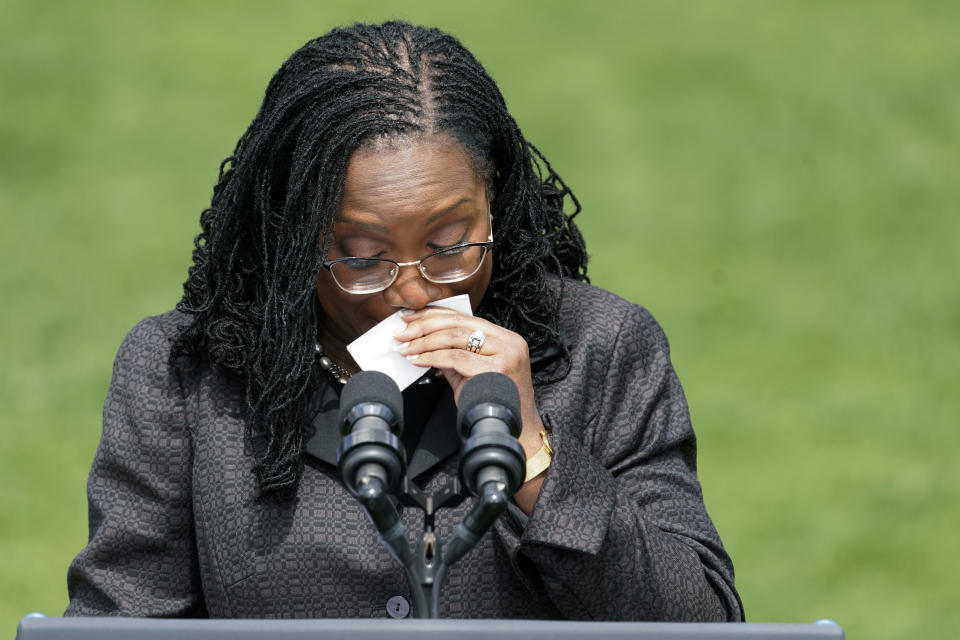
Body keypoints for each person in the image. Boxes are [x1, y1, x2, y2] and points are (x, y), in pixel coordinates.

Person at [65, 21, 743, 621]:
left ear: (495, 203)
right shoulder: (183, 375)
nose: (412, 292)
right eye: (361, 258)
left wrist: (535, 452)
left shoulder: (604, 348)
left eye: (451, 244)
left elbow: (701, 620)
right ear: (292, 235)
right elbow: (120, 622)